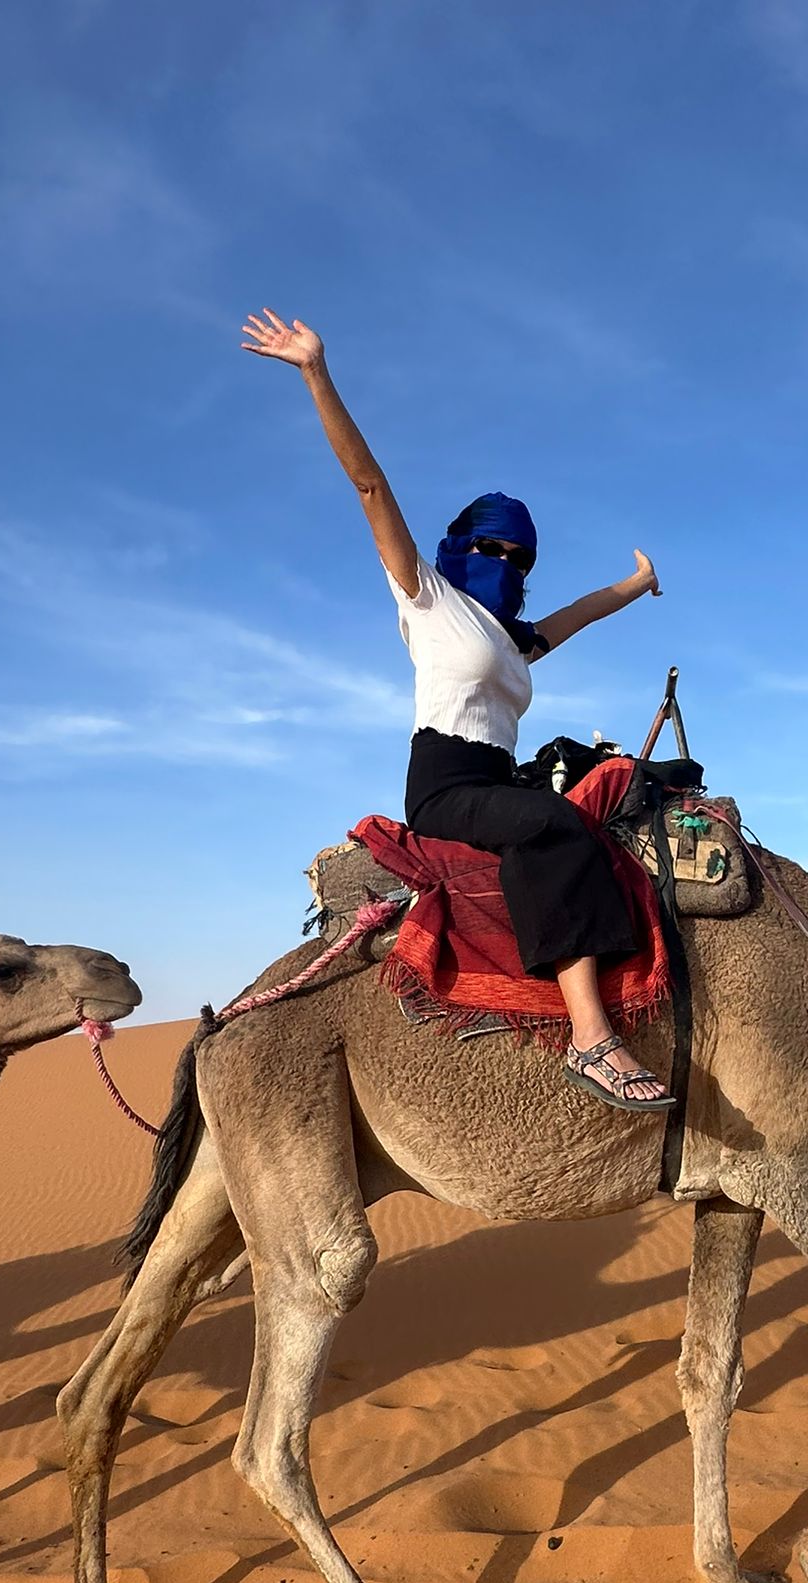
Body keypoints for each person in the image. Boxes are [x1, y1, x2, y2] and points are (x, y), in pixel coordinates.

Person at [242, 308, 673, 1111]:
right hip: (444, 784)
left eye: (520, 558)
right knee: (554, 828)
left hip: (498, 777)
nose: (506, 565)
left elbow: (577, 614)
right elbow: (370, 485)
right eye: (494, 550)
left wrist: (636, 584)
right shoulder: (428, 598)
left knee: (614, 793)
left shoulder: (512, 639)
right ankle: (589, 1037)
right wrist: (314, 371)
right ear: (461, 548)